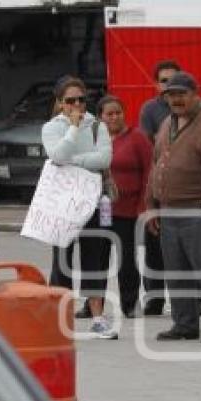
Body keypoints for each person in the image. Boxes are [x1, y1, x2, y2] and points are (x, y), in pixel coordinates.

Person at [147, 72, 201, 342]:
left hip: (196, 208)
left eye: (182, 94)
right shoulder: (165, 124)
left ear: (195, 95)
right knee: (175, 271)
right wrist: (152, 203)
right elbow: (156, 163)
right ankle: (185, 324)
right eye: (171, 95)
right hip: (168, 209)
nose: (177, 99)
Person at [42, 76, 116, 339]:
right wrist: (72, 129)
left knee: (95, 258)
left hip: (93, 200)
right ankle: (59, 319)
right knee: (62, 260)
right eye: (70, 100)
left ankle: (97, 317)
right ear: (60, 103)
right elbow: (57, 156)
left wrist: (74, 160)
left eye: (81, 99)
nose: (76, 105)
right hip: (62, 203)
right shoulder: (52, 128)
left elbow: (105, 157)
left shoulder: (97, 126)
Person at [97, 95, 152, 318]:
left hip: (128, 210)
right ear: (101, 117)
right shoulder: (95, 140)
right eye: (109, 114)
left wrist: (144, 206)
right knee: (97, 257)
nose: (114, 117)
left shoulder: (137, 138)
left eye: (118, 112)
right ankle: (94, 303)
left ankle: (129, 304)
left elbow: (150, 171)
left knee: (126, 259)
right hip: (102, 209)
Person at [138, 59, 181, 316]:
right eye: (164, 80)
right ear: (156, 85)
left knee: (184, 247)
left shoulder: (189, 109)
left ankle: (189, 299)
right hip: (157, 183)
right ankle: (154, 298)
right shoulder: (150, 110)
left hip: (184, 186)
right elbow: (148, 146)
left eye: (174, 79)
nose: (169, 85)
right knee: (154, 245)